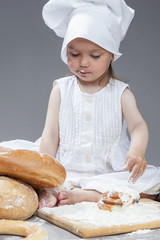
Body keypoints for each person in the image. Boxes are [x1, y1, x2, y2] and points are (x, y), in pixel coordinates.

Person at [37, 0, 160, 208]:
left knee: (152, 188)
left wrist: (137, 151)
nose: (83, 62)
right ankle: (59, 191)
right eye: (74, 54)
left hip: (109, 173)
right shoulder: (61, 90)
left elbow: (138, 125)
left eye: (95, 55)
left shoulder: (120, 93)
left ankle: (88, 195)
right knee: (23, 173)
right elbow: (50, 136)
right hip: (67, 169)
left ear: (111, 55)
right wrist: (44, 178)